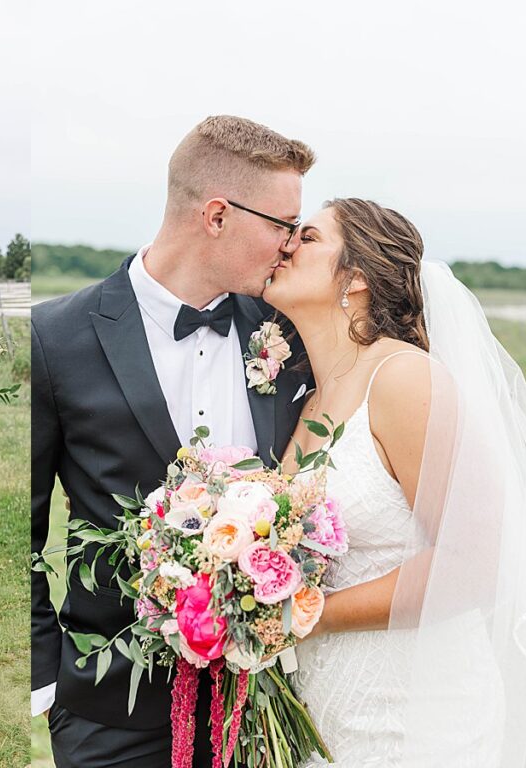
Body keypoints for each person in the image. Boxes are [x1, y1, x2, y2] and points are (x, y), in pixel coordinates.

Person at [31, 115, 316, 767]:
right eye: (281, 225)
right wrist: (45, 682)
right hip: (110, 713)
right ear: (216, 215)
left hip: (267, 711)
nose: (290, 245)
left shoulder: (287, 330)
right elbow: (24, 538)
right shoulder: (57, 337)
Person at [265, 199, 526, 765]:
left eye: (309, 236)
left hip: (419, 719)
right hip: (330, 713)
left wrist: (304, 616)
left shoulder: (404, 378)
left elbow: (473, 562)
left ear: (358, 277)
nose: (286, 244)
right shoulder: (312, 399)